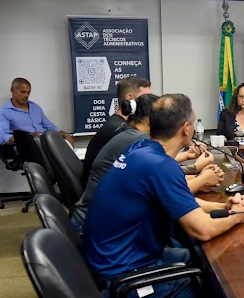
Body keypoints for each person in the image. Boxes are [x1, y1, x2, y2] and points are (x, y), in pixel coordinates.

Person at [83, 94, 244, 298]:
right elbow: (201, 229)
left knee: (204, 259)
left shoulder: (140, 150)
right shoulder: (161, 165)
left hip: (116, 259)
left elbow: (182, 201)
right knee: (226, 291)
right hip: (125, 277)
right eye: (193, 123)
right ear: (186, 128)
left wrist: (225, 208)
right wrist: (240, 214)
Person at [73, 94, 223, 226]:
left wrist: (190, 164)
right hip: (97, 228)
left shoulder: (136, 141)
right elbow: (168, 188)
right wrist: (200, 177)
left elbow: (161, 182)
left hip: (101, 224)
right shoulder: (139, 144)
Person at [82, 76, 152, 184]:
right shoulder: (121, 131)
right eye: (145, 98)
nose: (149, 103)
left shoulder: (116, 123)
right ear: (130, 99)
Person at [0, 78, 73, 146]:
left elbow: (50, 126)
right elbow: (0, 137)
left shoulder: (35, 107)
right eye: (23, 92)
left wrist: (65, 134)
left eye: (28, 93)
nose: (26, 95)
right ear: (12, 90)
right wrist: (28, 137)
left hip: (45, 143)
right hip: (26, 147)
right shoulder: (4, 112)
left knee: (66, 148)